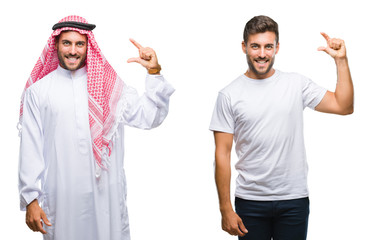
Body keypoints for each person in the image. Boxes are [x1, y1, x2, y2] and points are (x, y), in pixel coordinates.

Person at [18, 15, 175, 240]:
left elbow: (149, 117)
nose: (73, 50)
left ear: (88, 46)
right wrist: (31, 199)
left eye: (79, 44)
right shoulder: (39, 92)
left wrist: (154, 72)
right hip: (63, 201)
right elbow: (30, 149)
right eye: (67, 43)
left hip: (106, 200)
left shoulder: (110, 88)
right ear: (56, 45)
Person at [209, 15, 353, 240]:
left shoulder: (296, 84)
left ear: (277, 47)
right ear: (244, 47)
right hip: (250, 201)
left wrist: (341, 61)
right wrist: (225, 208)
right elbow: (222, 154)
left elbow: (343, 106)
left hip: (293, 200)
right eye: (255, 46)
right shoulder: (229, 95)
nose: (262, 54)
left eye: (268, 46)